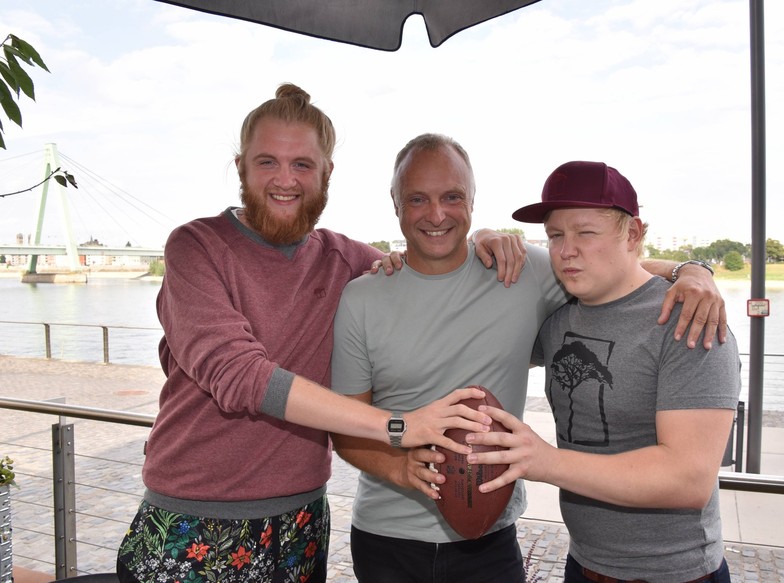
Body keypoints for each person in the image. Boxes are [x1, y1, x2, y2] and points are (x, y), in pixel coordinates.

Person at [114, 85, 523, 583]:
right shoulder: (196, 247)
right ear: (241, 166)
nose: (285, 180)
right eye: (268, 162)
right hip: (193, 515)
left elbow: (433, 257)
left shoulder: (346, 259)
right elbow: (238, 375)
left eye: (302, 165)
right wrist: (398, 426)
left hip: (300, 522)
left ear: (327, 173)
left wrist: (482, 238)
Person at [329, 135, 728, 583]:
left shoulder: (527, 274)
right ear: (396, 204)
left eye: (452, 197)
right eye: (417, 199)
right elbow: (347, 426)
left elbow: (616, 273)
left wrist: (692, 271)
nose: (436, 214)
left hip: (496, 541)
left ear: (473, 201)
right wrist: (400, 466)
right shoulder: (364, 297)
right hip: (391, 541)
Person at [467, 161, 742, 583]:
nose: (565, 250)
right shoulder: (558, 317)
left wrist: (543, 461)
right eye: (556, 235)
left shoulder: (688, 319)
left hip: (676, 573)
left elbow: (687, 479)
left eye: (585, 232)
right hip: (584, 564)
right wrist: (477, 237)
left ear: (632, 234)